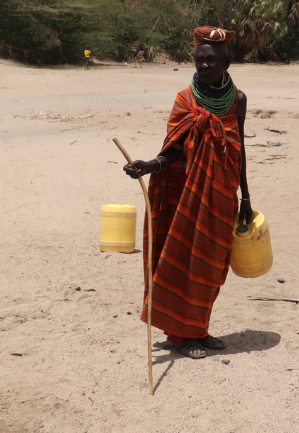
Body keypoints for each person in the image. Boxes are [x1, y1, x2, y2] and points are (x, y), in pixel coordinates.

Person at [122, 26, 253, 359]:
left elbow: (239, 151)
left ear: (227, 61)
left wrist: (247, 199)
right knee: (182, 259)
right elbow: (175, 150)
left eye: (211, 61)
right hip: (186, 194)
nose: (204, 67)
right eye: (198, 61)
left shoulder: (237, 100)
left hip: (222, 194)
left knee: (211, 265)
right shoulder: (185, 99)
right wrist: (150, 165)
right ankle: (183, 336)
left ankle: (199, 329)